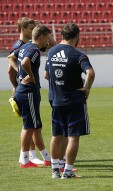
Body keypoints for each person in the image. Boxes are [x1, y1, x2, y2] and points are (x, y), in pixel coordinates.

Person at [47, 22, 95, 179]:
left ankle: (55, 171)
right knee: (73, 137)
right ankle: (67, 172)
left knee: (56, 135)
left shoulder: (51, 52)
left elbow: (47, 75)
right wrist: (87, 88)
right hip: (74, 101)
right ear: (77, 37)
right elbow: (91, 73)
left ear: (61, 35)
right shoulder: (78, 55)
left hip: (56, 100)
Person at [8, 17, 56, 165]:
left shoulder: (25, 46)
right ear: (41, 37)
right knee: (29, 126)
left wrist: (21, 75)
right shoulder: (33, 48)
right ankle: (25, 159)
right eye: (46, 38)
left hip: (25, 90)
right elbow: (24, 62)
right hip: (28, 90)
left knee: (35, 125)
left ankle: (46, 157)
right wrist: (28, 75)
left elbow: (12, 57)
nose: (47, 42)